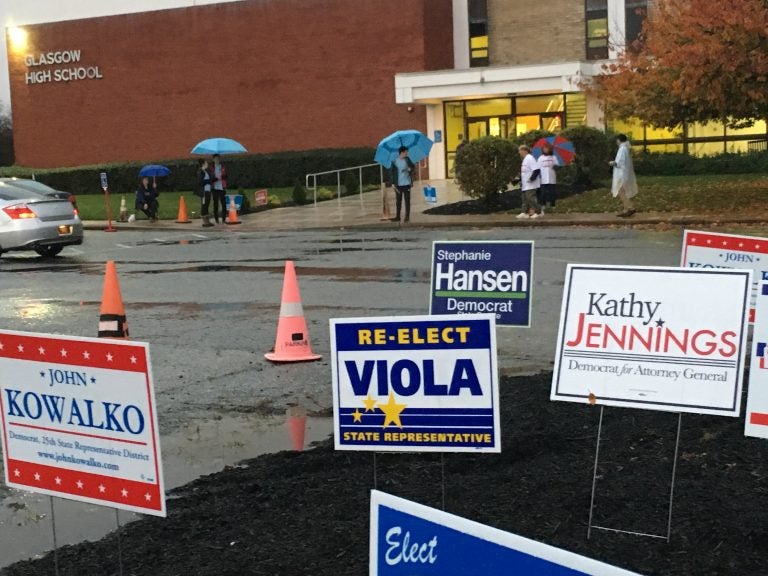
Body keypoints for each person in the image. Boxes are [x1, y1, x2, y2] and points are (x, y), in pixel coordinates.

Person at [610, 134, 638, 217]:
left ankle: (630, 207)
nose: (616, 142)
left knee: (620, 191)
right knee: (623, 191)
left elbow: (620, 162)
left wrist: (613, 163)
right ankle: (626, 209)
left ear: (619, 140)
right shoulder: (625, 148)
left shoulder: (622, 149)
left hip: (621, 174)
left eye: (617, 140)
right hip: (625, 173)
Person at [390, 146, 415, 223]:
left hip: (407, 183)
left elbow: (413, 167)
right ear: (402, 152)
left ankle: (407, 217)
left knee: (407, 200)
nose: (407, 153)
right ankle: (398, 216)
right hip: (398, 184)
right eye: (406, 152)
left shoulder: (407, 159)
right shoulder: (394, 161)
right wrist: (392, 183)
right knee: (398, 201)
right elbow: (391, 173)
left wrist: (410, 169)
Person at [516, 145, 542, 219]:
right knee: (524, 198)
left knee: (530, 198)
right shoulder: (525, 159)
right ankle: (525, 212)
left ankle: (538, 211)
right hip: (525, 183)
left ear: (525, 151)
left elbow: (536, 169)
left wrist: (532, 178)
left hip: (531, 183)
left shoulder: (530, 158)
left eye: (520, 151)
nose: (519, 153)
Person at [537, 143, 560, 211]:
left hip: (551, 177)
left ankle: (553, 205)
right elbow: (538, 167)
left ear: (550, 149)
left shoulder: (553, 157)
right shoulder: (540, 158)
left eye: (547, 148)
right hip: (543, 178)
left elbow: (557, 165)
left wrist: (555, 166)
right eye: (544, 149)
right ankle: (543, 205)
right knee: (543, 193)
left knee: (552, 192)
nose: (545, 150)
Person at [196, 159, 214, 227]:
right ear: (203, 164)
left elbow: (209, 179)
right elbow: (200, 182)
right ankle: (205, 221)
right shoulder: (200, 172)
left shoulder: (206, 171)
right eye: (206, 163)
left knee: (207, 205)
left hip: (208, 190)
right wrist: (208, 181)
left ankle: (208, 221)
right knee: (204, 205)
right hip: (204, 191)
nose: (207, 164)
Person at [211, 154, 228, 224]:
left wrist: (222, 176)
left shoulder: (223, 167)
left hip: (222, 187)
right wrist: (216, 178)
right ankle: (216, 219)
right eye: (216, 159)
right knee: (216, 204)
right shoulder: (211, 168)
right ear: (213, 160)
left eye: (218, 159)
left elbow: (226, 176)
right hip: (215, 188)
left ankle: (224, 219)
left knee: (224, 203)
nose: (217, 160)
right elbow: (210, 178)